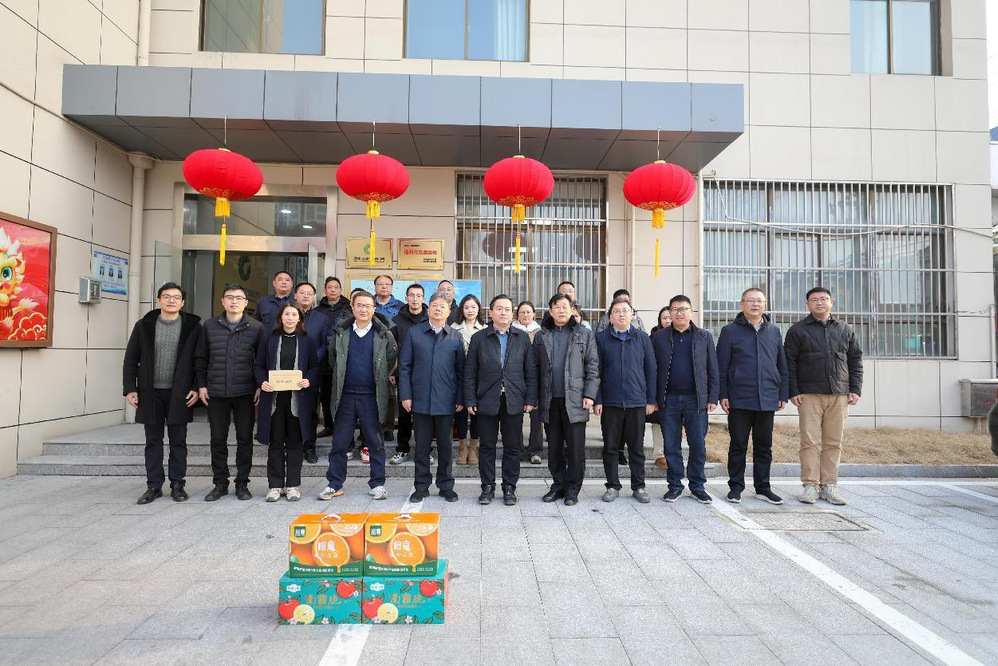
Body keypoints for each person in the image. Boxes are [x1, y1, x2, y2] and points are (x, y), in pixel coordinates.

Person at [123, 283, 202, 504]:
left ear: (182, 302)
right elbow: (131, 359)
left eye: (176, 297)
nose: (171, 300)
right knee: (153, 441)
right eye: (166, 296)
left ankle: (177, 484)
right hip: (150, 392)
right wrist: (130, 388)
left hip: (180, 393)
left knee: (178, 441)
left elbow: (200, 360)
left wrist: (196, 387)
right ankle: (154, 485)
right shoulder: (144, 325)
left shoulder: (193, 327)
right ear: (158, 300)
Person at [784, 287, 863, 506]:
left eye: (823, 299)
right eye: (814, 300)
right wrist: (793, 390)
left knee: (834, 442)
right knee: (809, 441)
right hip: (808, 395)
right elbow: (789, 363)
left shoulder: (845, 329)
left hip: (839, 394)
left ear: (831, 302)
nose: (819, 303)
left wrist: (855, 389)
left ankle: (829, 485)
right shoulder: (798, 330)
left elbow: (855, 361)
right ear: (807, 304)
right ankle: (810, 485)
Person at [319, 290, 397, 501]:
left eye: (368, 306)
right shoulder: (341, 332)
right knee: (339, 443)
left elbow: (390, 360)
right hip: (345, 395)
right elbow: (333, 359)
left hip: (372, 396)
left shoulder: (384, 334)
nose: (364, 309)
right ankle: (334, 484)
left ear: (374, 309)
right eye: (359, 305)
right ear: (352, 308)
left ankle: (377, 484)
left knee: (375, 443)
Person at [716, 287, 789, 505]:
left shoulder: (774, 331)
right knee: (738, 445)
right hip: (739, 397)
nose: (755, 304)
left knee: (764, 446)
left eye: (759, 301)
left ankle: (763, 487)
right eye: (751, 300)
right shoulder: (730, 331)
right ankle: (735, 487)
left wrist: (782, 393)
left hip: (767, 397)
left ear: (765, 305)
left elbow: (782, 365)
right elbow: (722, 367)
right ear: (742, 304)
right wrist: (723, 394)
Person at [465, 294, 537, 506]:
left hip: (513, 399)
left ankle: (509, 487)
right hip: (486, 399)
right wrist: (470, 398)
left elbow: (530, 371)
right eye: (499, 309)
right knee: (487, 446)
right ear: (490, 313)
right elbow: (470, 372)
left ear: (512, 314)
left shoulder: (522, 338)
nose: (503, 312)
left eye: (507, 309)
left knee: (513, 446)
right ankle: (487, 487)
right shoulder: (479, 338)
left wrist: (530, 397)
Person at [195, 284, 265, 501]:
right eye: (230, 297)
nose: (234, 301)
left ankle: (242, 483)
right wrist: (201, 385)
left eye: (239, 298)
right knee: (218, 439)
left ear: (246, 303)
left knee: (245, 439)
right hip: (216, 392)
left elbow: (262, 361)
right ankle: (220, 483)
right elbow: (201, 358)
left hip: (245, 392)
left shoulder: (256, 327)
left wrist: (259, 385)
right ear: (223, 301)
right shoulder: (209, 326)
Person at [535, 293, 600, 507]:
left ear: (572, 310)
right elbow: (535, 368)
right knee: (553, 448)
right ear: (550, 311)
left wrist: (590, 394)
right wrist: (534, 397)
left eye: (565, 306)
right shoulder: (541, 335)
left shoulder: (584, 333)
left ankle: (572, 489)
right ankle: (558, 485)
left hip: (575, 399)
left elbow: (592, 366)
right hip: (549, 399)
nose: (561, 310)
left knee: (575, 448)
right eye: (557, 307)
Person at [652, 295, 718, 504]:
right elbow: (652, 369)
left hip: (696, 399)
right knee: (671, 446)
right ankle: (675, 486)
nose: (679, 313)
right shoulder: (659, 337)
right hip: (668, 399)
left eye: (683, 309)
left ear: (691, 312)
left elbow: (713, 369)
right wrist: (653, 398)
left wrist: (712, 397)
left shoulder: (703, 336)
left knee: (697, 445)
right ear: (669, 313)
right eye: (675, 309)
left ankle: (697, 486)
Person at [399, 292, 464, 503]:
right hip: (420, 400)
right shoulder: (414, 333)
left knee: (446, 447)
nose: (438, 309)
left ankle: (446, 485)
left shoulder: (455, 336)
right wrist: (406, 395)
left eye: (442, 306)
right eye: (434, 305)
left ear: (448, 311)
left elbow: (461, 371)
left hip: (446, 401)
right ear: (428, 309)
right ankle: (421, 486)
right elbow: (404, 367)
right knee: (421, 447)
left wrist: (460, 398)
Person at [255, 303, 321, 502]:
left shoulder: (307, 340)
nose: (290, 318)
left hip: (297, 400)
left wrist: (309, 380)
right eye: (287, 314)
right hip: (274, 399)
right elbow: (258, 365)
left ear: (299, 318)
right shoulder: (270, 338)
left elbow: (314, 367)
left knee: (295, 443)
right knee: (275, 443)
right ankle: (275, 486)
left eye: (294, 314)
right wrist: (262, 381)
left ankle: (292, 485)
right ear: (280, 317)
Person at [594, 297, 657, 503]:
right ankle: (612, 485)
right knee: (611, 447)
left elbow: (651, 369)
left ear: (632, 315)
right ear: (610, 317)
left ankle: (639, 486)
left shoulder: (642, 338)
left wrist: (650, 400)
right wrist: (598, 399)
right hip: (610, 402)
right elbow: (596, 372)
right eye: (617, 311)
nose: (621, 314)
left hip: (636, 401)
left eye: (625, 311)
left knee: (636, 448)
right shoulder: (601, 339)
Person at [389, 283, 429, 465]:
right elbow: (392, 348)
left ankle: (424, 450)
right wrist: (392, 371)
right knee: (404, 414)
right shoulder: (397, 320)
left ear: (423, 298)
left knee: (424, 415)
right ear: (405, 298)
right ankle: (402, 449)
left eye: (418, 295)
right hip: (403, 374)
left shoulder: (429, 319)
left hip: (425, 374)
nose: (415, 299)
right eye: (411, 295)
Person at [293, 281, 332, 464]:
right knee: (289, 410)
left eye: (310, 293)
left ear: (314, 297)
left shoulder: (321, 318)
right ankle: (292, 446)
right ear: (295, 295)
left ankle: (309, 448)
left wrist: (311, 359)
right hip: (288, 371)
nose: (306, 296)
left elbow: (325, 344)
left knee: (310, 411)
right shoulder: (287, 314)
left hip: (311, 371)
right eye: (302, 292)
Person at [451, 294, 486, 466]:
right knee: (461, 413)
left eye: (473, 307)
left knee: (476, 413)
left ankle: (473, 450)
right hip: (459, 375)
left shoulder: (485, 328)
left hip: (479, 377)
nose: (470, 310)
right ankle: (462, 449)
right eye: (466, 307)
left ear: (478, 309)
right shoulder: (453, 328)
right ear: (461, 310)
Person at [316, 277, 351, 438]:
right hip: (324, 359)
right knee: (326, 394)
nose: (333, 290)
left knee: (343, 395)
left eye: (336, 287)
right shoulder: (318, 310)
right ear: (325, 290)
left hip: (343, 357)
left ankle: (343, 427)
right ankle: (329, 425)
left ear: (341, 289)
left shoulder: (348, 308)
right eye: (329, 287)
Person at [513, 301, 544, 465]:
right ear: (517, 315)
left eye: (528, 312)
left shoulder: (541, 332)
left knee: (537, 417)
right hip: (516, 379)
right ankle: (517, 450)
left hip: (536, 378)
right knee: (515, 417)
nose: (525, 315)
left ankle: (535, 451)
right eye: (522, 312)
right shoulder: (511, 330)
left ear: (534, 314)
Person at [648, 306, 673, 469]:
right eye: (664, 318)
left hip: (676, 388)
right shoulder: (653, 338)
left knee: (673, 422)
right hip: (658, 386)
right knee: (658, 422)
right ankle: (659, 454)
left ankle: (672, 453)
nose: (668, 321)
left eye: (670, 317)